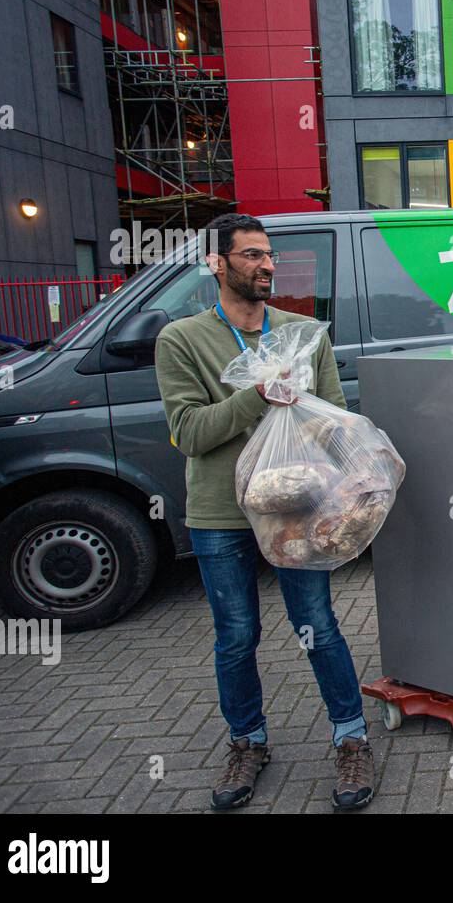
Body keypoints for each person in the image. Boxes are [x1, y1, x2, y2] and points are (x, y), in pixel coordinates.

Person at [155, 213, 376, 810]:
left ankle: (351, 737)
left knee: (318, 625)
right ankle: (247, 742)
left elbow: (333, 417)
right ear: (217, 264)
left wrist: (359, 472)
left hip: (298, 511)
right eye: (251, 255)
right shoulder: (181, 339)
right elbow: (188, 433)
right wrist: (256, 398)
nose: (267, 265)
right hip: (219, 513)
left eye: (270, 255)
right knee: (236, 635)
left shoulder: (306, 333)